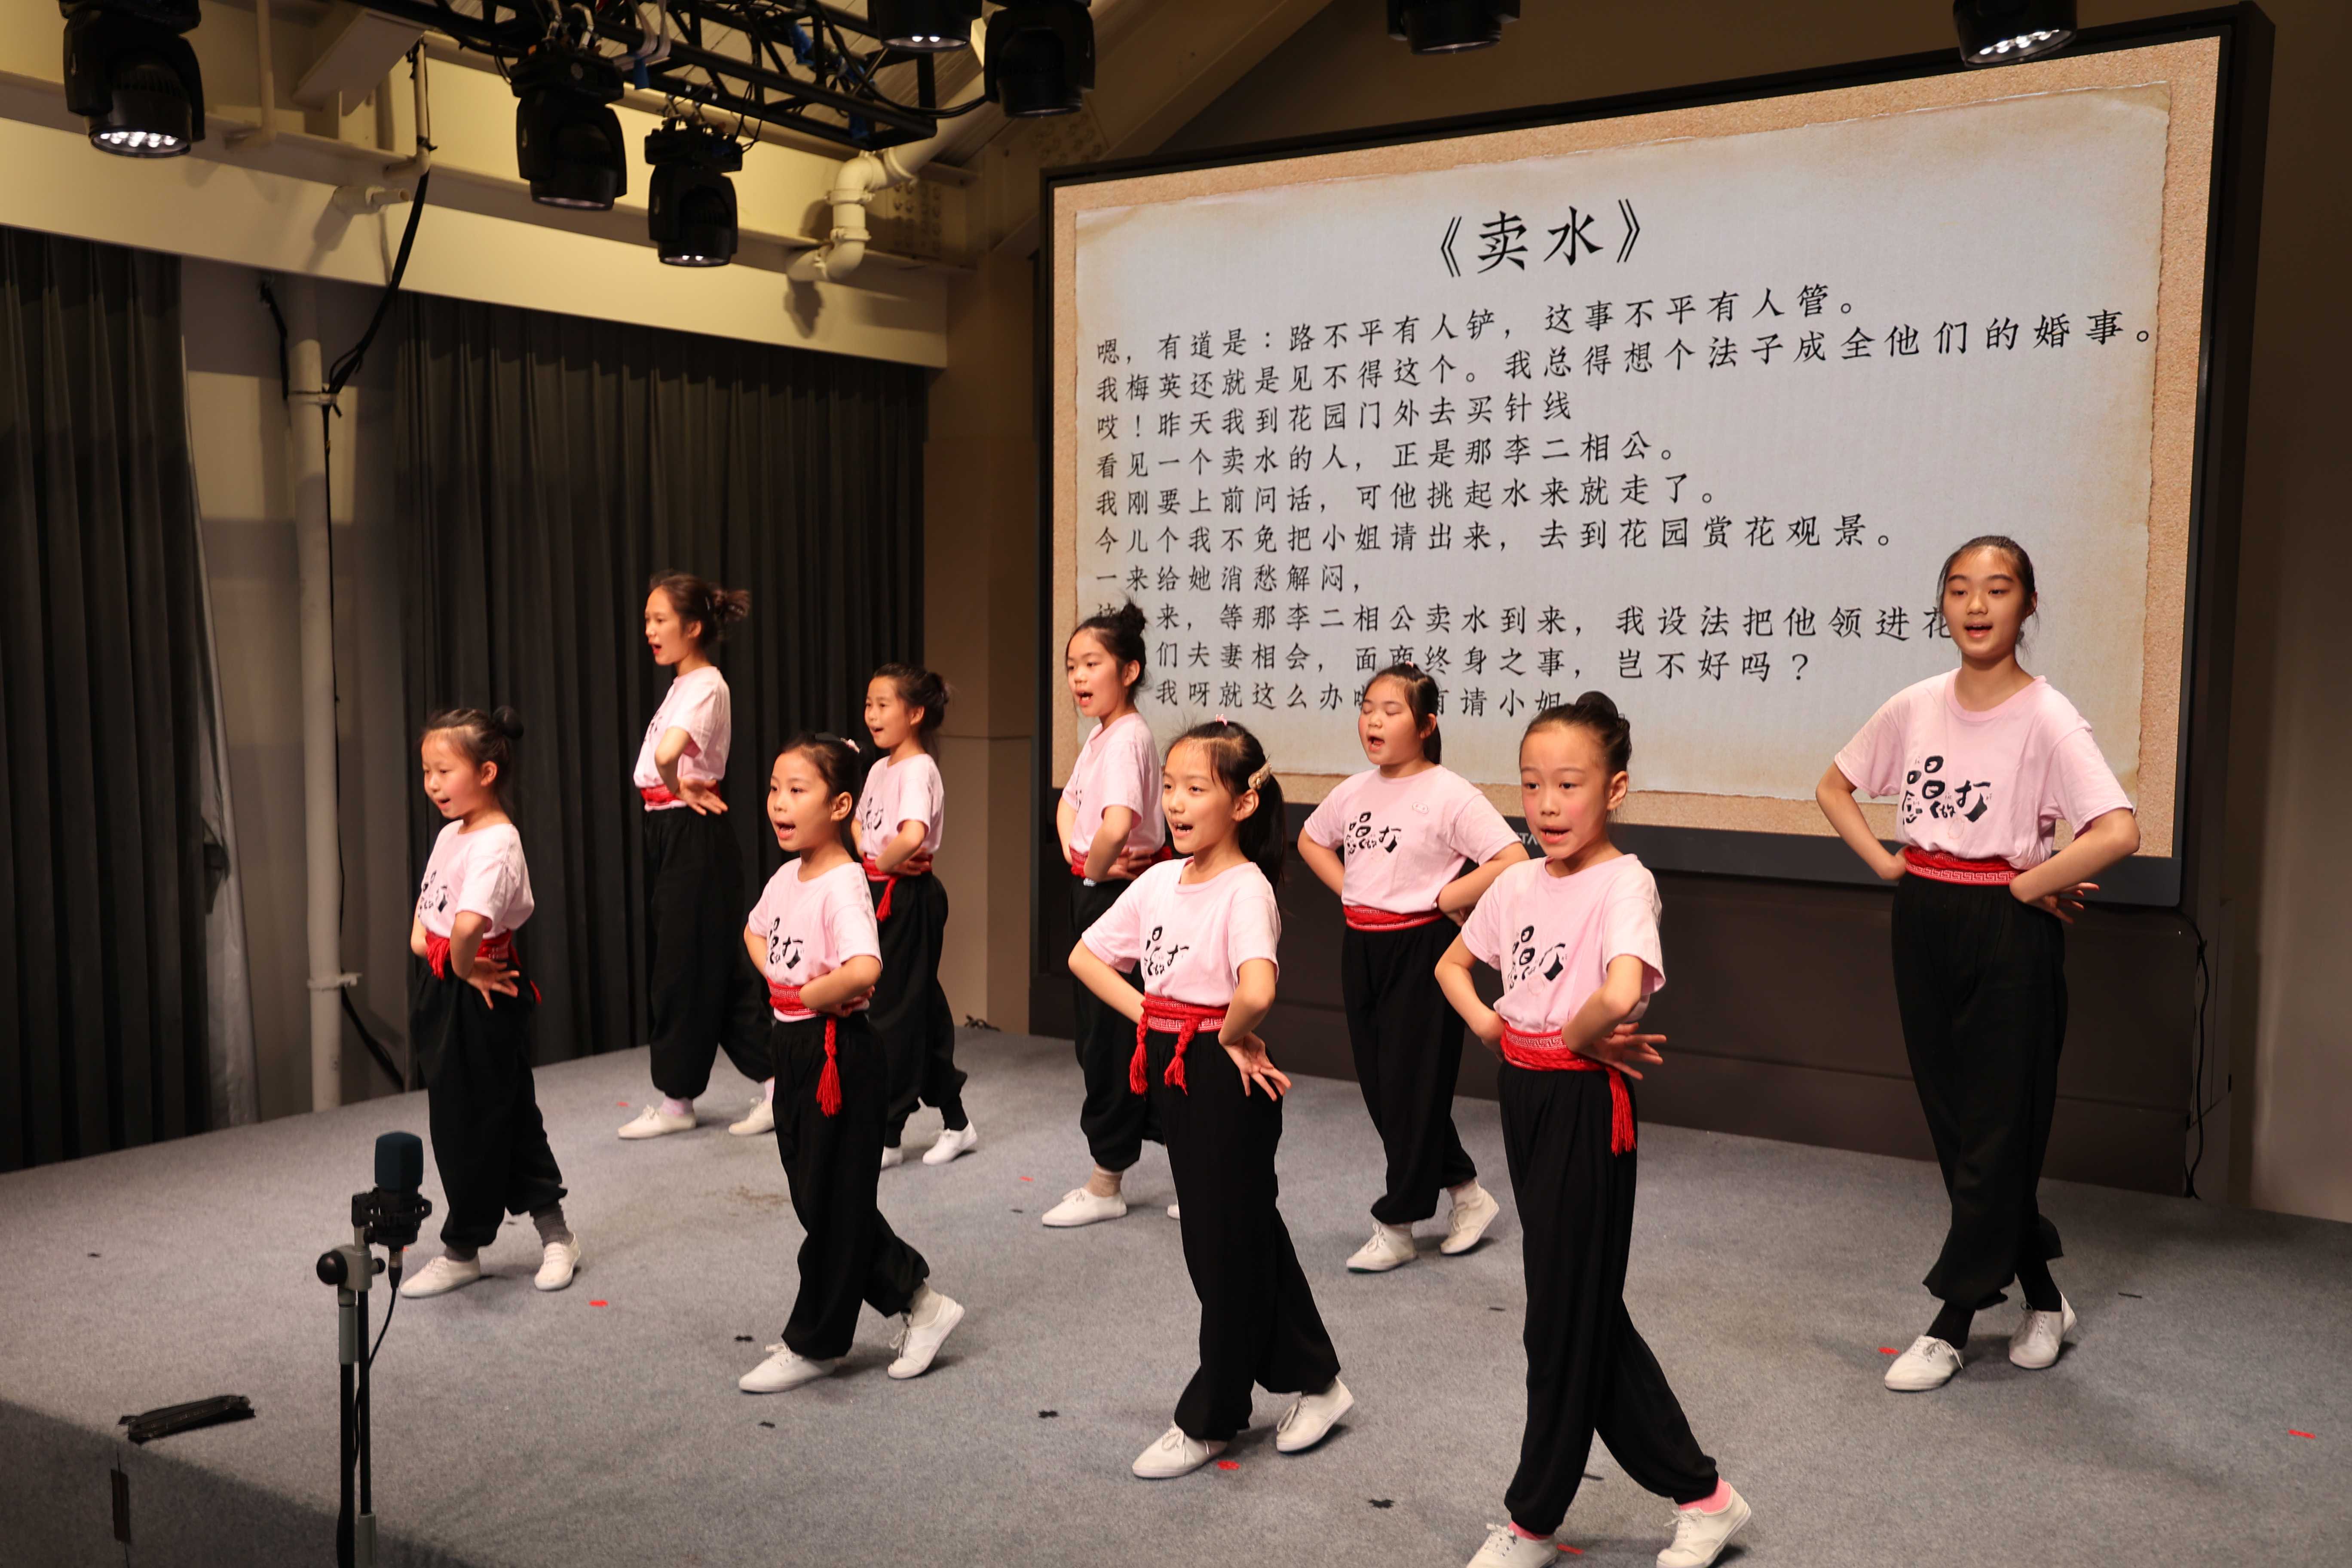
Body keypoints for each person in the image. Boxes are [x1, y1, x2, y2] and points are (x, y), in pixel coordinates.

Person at [1816, 534, 2138, 1392]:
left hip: (2007, 931)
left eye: (1997, 589)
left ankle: (1952, 1320)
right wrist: (1886, 863)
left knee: (1997, 1128)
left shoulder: (2048, 715)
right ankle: (2043, 1297)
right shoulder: (1917, 704)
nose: (1976, 605)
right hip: (1923, 916)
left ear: (2028, 605)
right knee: (1958, 1125)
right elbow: (1834, 786)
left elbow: (2118, 828)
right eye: (1959, 589)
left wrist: (2029, 883)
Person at [1438, 694, 1750, 1568]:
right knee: (1580, 1309)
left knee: (1559, 1319)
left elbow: (1621, 987)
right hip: (1525, 1096)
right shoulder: (1516, 882)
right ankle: (1705, 1497)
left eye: (1568, 784)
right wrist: (1495, 1028)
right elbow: (1453, 963)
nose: (1546, 804)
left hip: (1585, 1102)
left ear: (1613, 789)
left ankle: (1533, 1519)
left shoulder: (1626, 881)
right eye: (1531, 784)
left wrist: (1572, 1036)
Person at [1070, 720, 1353, 1479]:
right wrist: (1157, 1017)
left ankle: (1213, 1416)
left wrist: (1222, 1032)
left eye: (1197, 788)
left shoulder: (1246, 886)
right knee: (1239, 1232)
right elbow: (1086, 957)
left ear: (1244, 802)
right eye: (1169, 786)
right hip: (1176, 1061)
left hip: (1225, 1077)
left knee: (1221, 1248)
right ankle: (1320, 1381)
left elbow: (1257, 988)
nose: (1176, 802)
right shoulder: (1159, 880)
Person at [738, 734, 966, 1393]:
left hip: (838, 1054)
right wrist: (781, 981)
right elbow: (754, 931)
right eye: (775, 789)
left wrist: (815, 993)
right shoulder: (788, 877)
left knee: (833, 1206)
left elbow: (866, 966)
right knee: (821, 1200)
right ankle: (923, 1304)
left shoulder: (843, 883)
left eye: (797, 790)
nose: (780, 803)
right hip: (793, 1048)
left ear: (841, 806)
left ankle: (815, 1342)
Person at [1297, 663, 1525, 1272]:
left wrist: (1446, 897)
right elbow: (1311, 840)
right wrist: (1353, 891)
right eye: (1367, 707)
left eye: (1391, 711)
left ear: (1426, 726)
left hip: (1423, 950)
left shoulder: (1449, 793)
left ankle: (1398, 1223)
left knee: (1409, 1087)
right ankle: (1468, 1196)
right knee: (1386, 1088)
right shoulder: (1354, 790)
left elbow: (1510, 856)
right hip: (1362, 947)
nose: (1373, 721)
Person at [400, 707, 578, 1300]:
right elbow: (423, 927)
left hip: (485, 990)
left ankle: (486, 1245)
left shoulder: (499, 842)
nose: (432, 784)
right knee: (468, 1119)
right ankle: (498, 1243)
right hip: (447, 987)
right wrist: (451, 962)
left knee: (489, 1117)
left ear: (487, 772)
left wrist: (463, 964)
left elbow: (468, 925)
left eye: (444, 771)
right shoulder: (451, 834)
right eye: (426, 772)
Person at [618, 572, 776, 1141]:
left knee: (683, 968)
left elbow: (667, 755)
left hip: (692, 831)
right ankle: (776, 1084)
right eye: (647, 620)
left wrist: (676, 784)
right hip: (672, 830)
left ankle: (678, 1100)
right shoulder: (686, 684)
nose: (650, 630)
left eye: (660, 620)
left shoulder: (706, 684)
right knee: (714, 968)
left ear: (693, 627)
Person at [1042, 602, 1172, 1227]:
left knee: (1114, 1037)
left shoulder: (1127, 738)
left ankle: (1107, 1181)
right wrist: (1085, 861)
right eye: (1072, 666)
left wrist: (1095, 870)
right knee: (1109, 1034)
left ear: (1129, 670)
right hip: (1098, 888)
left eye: (1091, 664)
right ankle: (1153, 1170)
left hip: (1116, 897)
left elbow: (1117, 824)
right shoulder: (1103, 735)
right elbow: (1068, 806)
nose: (1078, 678)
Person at [855, 663, 973, 1170]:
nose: (872, 715)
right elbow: (859, 825)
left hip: (906, 898)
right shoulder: (879, 769)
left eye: (884, 705)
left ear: (916, 713)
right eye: (869, 704)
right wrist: (876, 860)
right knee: (917, 1009)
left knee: (894, 1013)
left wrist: (883, 863)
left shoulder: (919, 768)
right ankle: (957, 1121)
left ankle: (888, 1132)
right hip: (877, 890)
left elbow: (913, 832)